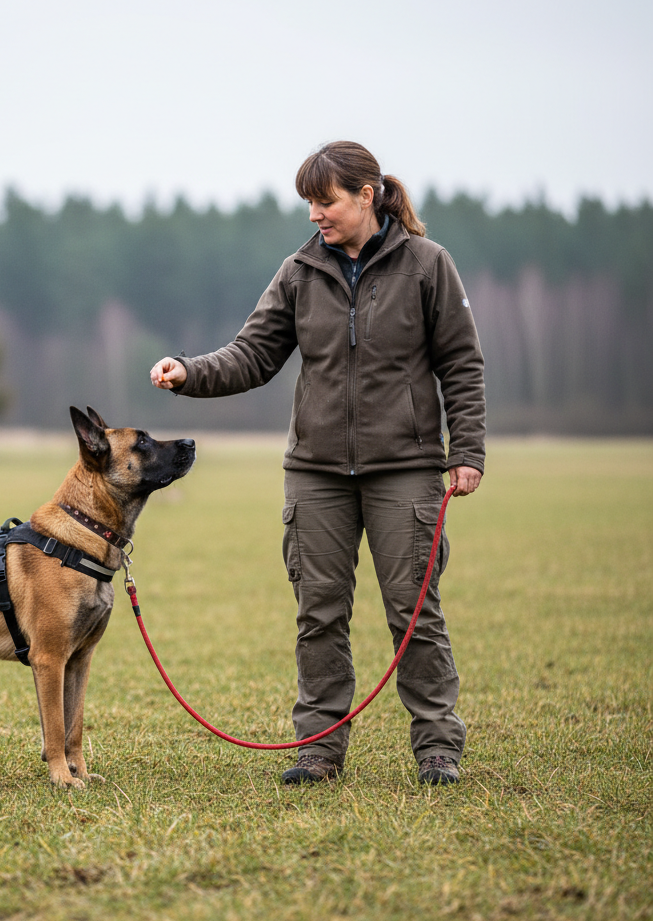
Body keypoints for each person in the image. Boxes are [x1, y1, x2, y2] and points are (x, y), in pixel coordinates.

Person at [149, 141, 485, 786]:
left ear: (367, 195)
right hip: (316, 473)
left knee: (414, 610)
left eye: (324, 201)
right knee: (318, 614)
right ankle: (320, 750)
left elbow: (461, 365)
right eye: (308, 202)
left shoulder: (427, 265)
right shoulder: (300, 272)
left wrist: (465, 451)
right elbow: (252, 354)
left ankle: (438, 746)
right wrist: (190, 371)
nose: (313, 215)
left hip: (407, 469)